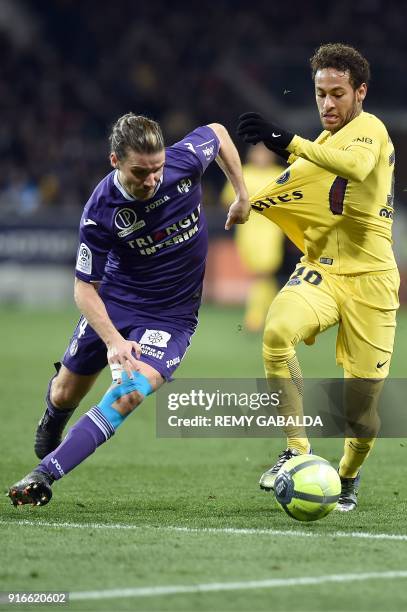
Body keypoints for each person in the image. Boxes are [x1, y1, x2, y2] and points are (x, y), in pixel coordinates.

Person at [8, 113, 250, 507]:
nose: (152, 180)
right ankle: (53, 415)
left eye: (157, 169)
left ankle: (44, 475)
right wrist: (114, 340)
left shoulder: (183, 161)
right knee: (66, 391)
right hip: (116, 303)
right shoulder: (100, 210)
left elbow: (219, 134)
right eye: (141, 172)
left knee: (129, 391)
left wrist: (241, 192)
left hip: (171, 316)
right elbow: (84, 289)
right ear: (115, 161)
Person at [237, 43, 399, 511]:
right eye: (320, 94)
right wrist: (247, 203)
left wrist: (285, 139)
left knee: (362, 416)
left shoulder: (370, 129)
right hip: (322, 271)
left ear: (360, 92)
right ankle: (297, 449)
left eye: (338, 93)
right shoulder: (321, 144)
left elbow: (356, 167)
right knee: (277, 330)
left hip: (371, 280)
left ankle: (347, 476)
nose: (328, 104)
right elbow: (289, 186)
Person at [220, 144, 285, 332]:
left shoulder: (280, 174)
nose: (261, 156)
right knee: (261, 275)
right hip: (247, 232)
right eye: (258, 152)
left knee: (263, 272)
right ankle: (277, 313)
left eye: (265, 152)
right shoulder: (243, 173)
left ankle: (254, 318)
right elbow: (227, 200)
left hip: (271, 230)